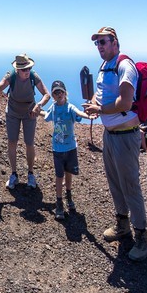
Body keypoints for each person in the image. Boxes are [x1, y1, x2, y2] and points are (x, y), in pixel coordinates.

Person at [85, 27, 147, 261]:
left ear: (115, 42)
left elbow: (125, 102)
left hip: (126, 135)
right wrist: (94, 103)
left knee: (130, 186)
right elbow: (101, 94)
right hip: (110, 135)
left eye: (103, 42)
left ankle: (142, 238)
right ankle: (123, 225)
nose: (100, 46)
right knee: (115, 183)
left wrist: (100, 109)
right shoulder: (105, 67)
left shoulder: (125, 66)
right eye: (97, 43)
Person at [0, 54, 47, 190]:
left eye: (29, 68)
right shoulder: (11, 76)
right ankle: (14, 174)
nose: (27, 72)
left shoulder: (34, 76)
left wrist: (38, 105)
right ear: (17, 70)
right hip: (13, 111)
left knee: (29, 142)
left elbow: (46, 94)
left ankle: (31, 174)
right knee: (12, 141)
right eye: (24, 70)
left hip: (30, 111)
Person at [41, 81, 92, 221]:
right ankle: (59, 203)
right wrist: (34, 109)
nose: (59, 95)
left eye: (60, 92)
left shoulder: (70, 107)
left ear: (65, 93)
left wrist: (90, 116)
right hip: (57, 149)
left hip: (70, 148)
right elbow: (45, 116)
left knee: (68, 173)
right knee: (59, 176)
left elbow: (78, 113)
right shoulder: (53, 108)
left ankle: (68, 196)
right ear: (53, 95)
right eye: (56, 92)